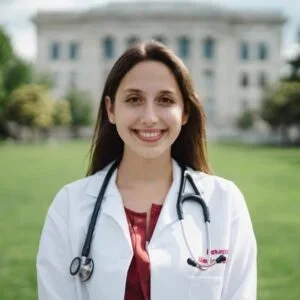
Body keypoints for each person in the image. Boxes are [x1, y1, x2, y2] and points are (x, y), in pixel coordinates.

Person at [36, 41, 257, 300]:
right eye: (134, 99)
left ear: (184, 111)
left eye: (165, 100)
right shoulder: (69, 205)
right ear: (111, 109)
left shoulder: (225, 202)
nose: (150, 117)